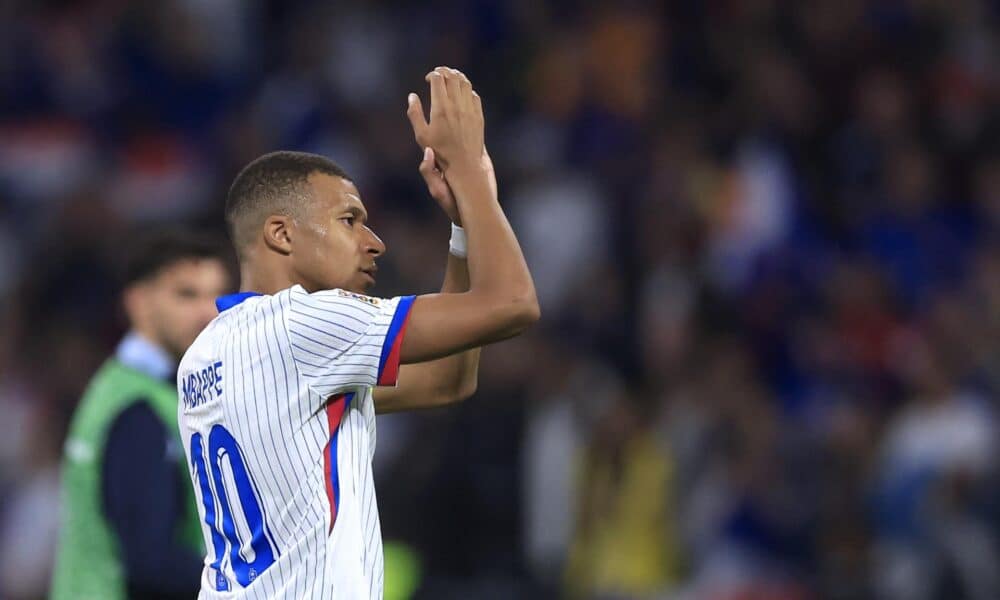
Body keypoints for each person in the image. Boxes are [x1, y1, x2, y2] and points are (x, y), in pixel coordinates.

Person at [177, 66, 538, 598]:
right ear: (280, 234)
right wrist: (472, 181)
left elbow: (446, 381)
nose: (374, 242)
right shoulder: (302, 324)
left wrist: (462, 231)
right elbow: (513, 303)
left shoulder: (207, 352)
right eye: (350, 220)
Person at [51, 229, 233, 600]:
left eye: (216, 295)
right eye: (187, 294)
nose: (206, 311)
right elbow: (152, 561)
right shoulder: (138, 410)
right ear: (138, 303)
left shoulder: (122, 388)